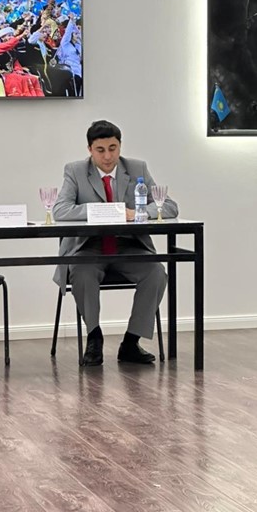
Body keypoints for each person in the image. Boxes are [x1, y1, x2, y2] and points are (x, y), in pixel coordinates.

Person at [53, 119, 178, 366]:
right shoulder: (75, 171)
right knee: (82, 273)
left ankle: (131, 342)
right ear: (90, 149)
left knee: (156, 273)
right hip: (89, 247)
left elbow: (169, 207)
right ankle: (94, 338)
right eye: (100, 150)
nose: (108, 156)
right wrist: (103, 211)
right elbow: (60, 210)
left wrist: (136, 212)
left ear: (120, 146)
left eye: (113, 148)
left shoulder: (137, 168)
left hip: (128, 246)